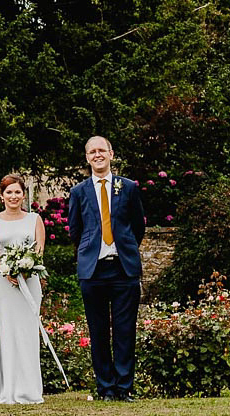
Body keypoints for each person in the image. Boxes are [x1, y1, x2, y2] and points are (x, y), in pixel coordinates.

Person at [67, 136, 145, 402]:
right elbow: (75, 230)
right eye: (92, 151)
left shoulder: (129, 187)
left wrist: (125, 250)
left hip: (124, 269)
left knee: (125, 331)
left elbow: (138, 227)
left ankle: (124, 388)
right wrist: (90, 252)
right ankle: (106, 389)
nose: (97, 155)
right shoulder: (78, 192)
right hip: (93, 271)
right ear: (87, 157)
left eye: (102, 150)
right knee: (98, 331)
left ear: (111, 154)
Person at [0, 173, 46, 404]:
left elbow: (39, 249)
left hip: (29, 282)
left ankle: (28, 390)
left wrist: (26, 269)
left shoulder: (34, 219)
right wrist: (5, 269)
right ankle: (6, 388)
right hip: (3, 283)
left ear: (23, 195)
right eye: (8, 192)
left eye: (17, 192)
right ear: (2, 196)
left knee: (28, 333)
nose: (13, 196)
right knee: (7, 332)